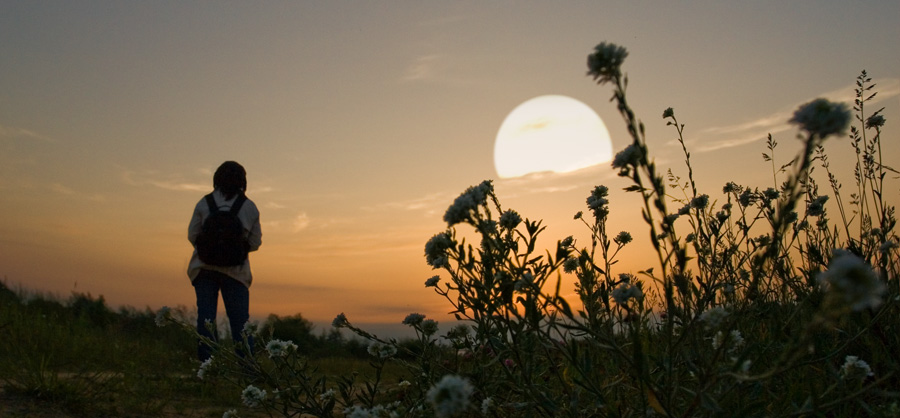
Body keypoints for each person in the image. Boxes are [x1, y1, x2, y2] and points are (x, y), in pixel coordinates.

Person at [187, 161, 262, 361]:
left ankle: (208, 368)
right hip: (236, 273)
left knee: (206, 321)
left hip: (203, 270)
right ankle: (249, 372)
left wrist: (210, 249)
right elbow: (255, 242)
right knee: (240, 324)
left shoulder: (204, 203)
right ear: (243, 181)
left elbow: (192, 235)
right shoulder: (249, 207)